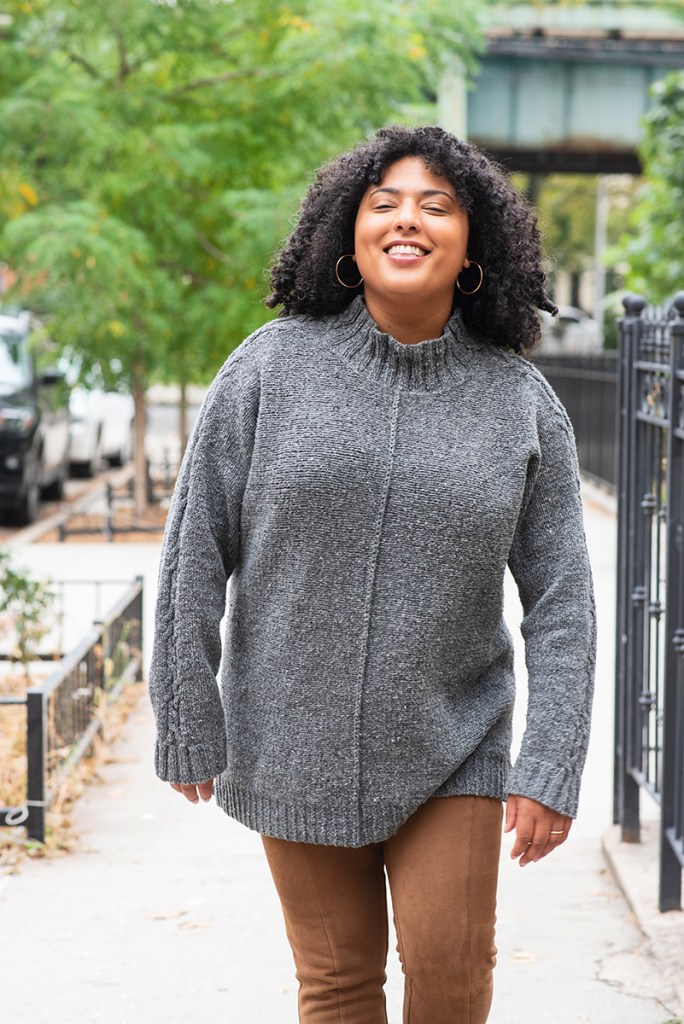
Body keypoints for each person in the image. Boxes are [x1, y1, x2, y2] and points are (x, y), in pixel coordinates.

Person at [148, 124, 596, 1024]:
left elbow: (564, 598)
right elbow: (196, 546)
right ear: (347, 234)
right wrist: (186, 705)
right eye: (384, 202)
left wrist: (551, 759)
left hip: (455, 739)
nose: (408, 221)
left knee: (450, 971)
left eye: (437, 206)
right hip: (289, 737)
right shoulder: (269, 370)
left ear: (474, 246)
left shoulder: (520, 403)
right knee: (340, 985)